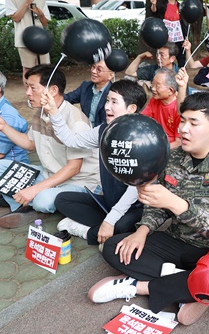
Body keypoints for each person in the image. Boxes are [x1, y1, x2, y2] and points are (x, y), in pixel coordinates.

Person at [87, 92, 209, 327]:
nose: (183, 129)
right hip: (177, 240)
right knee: (114, 247)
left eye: (193, 123)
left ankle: (139, 286)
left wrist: (175, 203)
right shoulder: (172, 158)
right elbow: (157, 207)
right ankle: (190, 288)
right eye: (183, 120)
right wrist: (142, 230)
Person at [0, 64, 99, 227]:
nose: (27, 93)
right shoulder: (40, 113)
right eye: (27, 88)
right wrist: (3, 126)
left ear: (52, 90)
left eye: (32, 88)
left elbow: (74, 168)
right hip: (49, 174)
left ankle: (30, 203)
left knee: (42, 200)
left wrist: (35, 189)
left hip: (78, 182)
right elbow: (30, 144)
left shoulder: (76, 121)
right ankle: (22, 205)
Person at [41, 80, 148, 246]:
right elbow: (72, 140)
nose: (106, 107)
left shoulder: (142, 138)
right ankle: (103, 225)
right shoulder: (104, 129)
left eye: (114, 102)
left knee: (121, 227)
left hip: (135, 207)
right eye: (107, 100)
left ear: (131, 108)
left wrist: (111, 220)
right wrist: (54, 113)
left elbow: (136, 188)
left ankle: (88, 231)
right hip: (109, 201)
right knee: (62, 199)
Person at [5, 0, 50, 86]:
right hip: (24, 40)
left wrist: (39, 13)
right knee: (28, 70)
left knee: (44, 69)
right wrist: (26, 3)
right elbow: (16, 18)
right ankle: (30, 95)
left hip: (41, 40)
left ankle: (43, 93)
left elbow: (45, 23)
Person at [64, 59, 114, 127]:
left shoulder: (114, 93)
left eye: (99, 69)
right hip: (85, 130)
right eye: (93, 67)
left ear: (110, 76)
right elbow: (67, 98)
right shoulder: (85, 87)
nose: (93, 71)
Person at [142, 67, 182, 149]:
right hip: (155, 140)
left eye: (157, 86)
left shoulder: (179, 108)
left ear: (170, 90)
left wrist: (158, 150)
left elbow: (178, 142)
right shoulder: (154, 100)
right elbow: (143, 120)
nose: (153, 88)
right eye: (152, 84)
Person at [150, 0, 186, 66]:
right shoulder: (162, 4)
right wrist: (154, 4)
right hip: (165, 38)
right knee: (163, 57)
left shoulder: (180, 7)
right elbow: (154, 11)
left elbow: (184, 23)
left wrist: (185, 38)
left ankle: (181, 74)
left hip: (178, 38)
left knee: (181, 58)